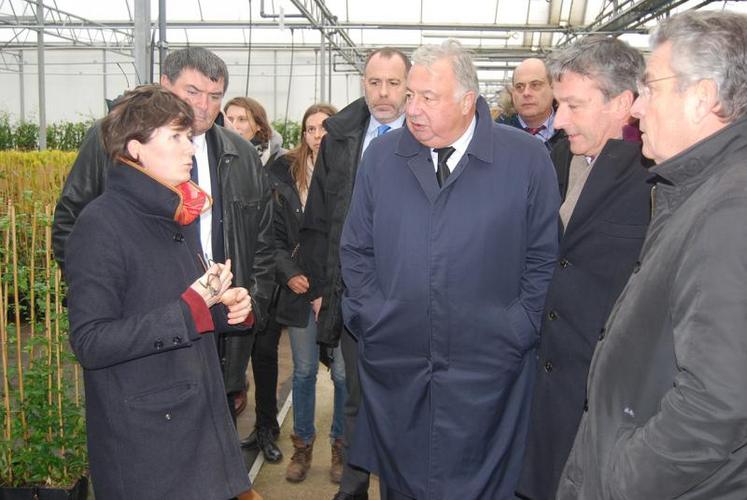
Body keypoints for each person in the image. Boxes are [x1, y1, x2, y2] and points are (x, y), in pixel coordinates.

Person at [340, 39, 560, 500]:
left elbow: (544, 257)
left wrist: (517, 327)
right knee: (403, 483)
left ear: (467, 101)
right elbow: (356, 249)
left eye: (428, 97)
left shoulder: (525, 159)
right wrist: (372, 317)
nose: (412, 109)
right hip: (398, 364)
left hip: (490, 371)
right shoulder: (381, 158)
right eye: (411, 95)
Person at [557, 10, 747, 499]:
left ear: (702, 97)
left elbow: (717, 403)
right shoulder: (695, 188)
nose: (637, 108)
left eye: (651, 88)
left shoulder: (731, 211)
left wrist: (620, 476)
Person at [52, 47, 275, 426]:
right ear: (165, 84)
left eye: (215, 96)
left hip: (216, 324)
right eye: (193, 92)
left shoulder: (240, 154)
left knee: (213, 428)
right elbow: (71, 226)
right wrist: (113, 300)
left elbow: (264, 243)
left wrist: (251, 300)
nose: (204, 106)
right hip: (142, 340)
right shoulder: (109, 141)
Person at [65, 85, 260, 500]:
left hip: (196, 424)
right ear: (135, 149)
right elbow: (91, 342)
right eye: (175, 137)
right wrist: (190, 310)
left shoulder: (174, 215)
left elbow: (173, 303)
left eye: (188, 136)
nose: (189, 148)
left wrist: (225, 308)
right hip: (148, 443)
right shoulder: (101, 225)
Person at [516, 36, 650, 500]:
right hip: (547, 385)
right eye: (559, 105)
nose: (559, 120)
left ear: (623, 103)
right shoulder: (558, 158)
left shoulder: (654, 177)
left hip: (608, 402)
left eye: (574, 106)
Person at [300, 47, 410, 500]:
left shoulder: (427, 135)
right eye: (374, 82)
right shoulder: (341, 137)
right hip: (352, 292)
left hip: (408, 294)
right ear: (362, 83)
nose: (383, 93)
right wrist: (321, 289)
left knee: (407, 396)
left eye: (393, 83)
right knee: (355, 395)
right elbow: (318, 219)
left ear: (408, 86)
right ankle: (353, 487)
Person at [264, 103, 345, 484]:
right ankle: (303, 445)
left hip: (339, 290)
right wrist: (290, 273)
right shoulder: (283, 173)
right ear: (303, 134)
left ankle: (341, 446)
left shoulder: (349, 171)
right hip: (298, 288)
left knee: (343, 373)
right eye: (311, 129)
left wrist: (329, 289)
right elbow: (272, 237)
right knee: (304, 371)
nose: (317, 135)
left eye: (325, 128)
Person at [499, 57, 564, 150]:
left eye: (535, 85)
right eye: (519, 86)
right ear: (512, 93)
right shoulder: (495, 136)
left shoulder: (573, 131)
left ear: (553, 88)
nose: (526, 93)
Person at [224, 96, 286, 166]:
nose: (234, 125)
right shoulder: (218, 155)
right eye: (230, 119)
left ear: (258, 125)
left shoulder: (283, 160)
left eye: (242, 119)